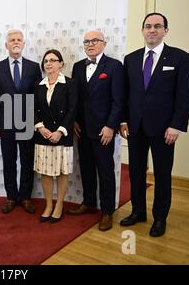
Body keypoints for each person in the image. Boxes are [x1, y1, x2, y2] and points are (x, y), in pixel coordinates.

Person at [119, 13, 189, 237]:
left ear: (165, 31)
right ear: (142, 30)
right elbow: (125, 94)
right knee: (136, 173)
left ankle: (160, 217)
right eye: (148, 26)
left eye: (157, 26)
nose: (152, 30)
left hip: (164, 130)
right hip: (136, 128)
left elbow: (185, 95)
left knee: (162, 175)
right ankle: (138, 211)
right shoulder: (130, 59)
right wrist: (123, 120)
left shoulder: (179, 57)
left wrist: (176, 125)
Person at [68, 31, 124, 232]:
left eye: (94, 41)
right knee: (87, 169)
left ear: (104, 43)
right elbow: (75, 98)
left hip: (103, 131)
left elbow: (118, 100)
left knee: (106, 171)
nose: (90, 44)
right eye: (86, 41)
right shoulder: (77, 66)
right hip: (82, 129)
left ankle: (107, 211)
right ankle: (89, 202)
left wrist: (111, 126)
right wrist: (74, 120)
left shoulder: (115, 66)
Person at [0, 29, 42, 214]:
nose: (16, 42)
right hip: (5, 124)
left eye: (19, 39)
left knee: (27, 161)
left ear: (24, 44)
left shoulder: (34, 67)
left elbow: (39, 97)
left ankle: (25, 196)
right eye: (12, 40)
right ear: (6, 45)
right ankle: (11, 196)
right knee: (9, 161)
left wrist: (38, 123)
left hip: (28, 123)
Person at [34, 49, 77, 223]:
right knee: (45, 173)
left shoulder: (70, 83)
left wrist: (60, 131)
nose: (49, 63)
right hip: (42, 135)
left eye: (53, 60)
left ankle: (59, 205)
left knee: (61, 172)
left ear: (61, 63)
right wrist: (40, 127)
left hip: (62, 135)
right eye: (46, 61)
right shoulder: (38, 84)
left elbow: (72, 109)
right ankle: (49, 205)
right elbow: (32, 108)